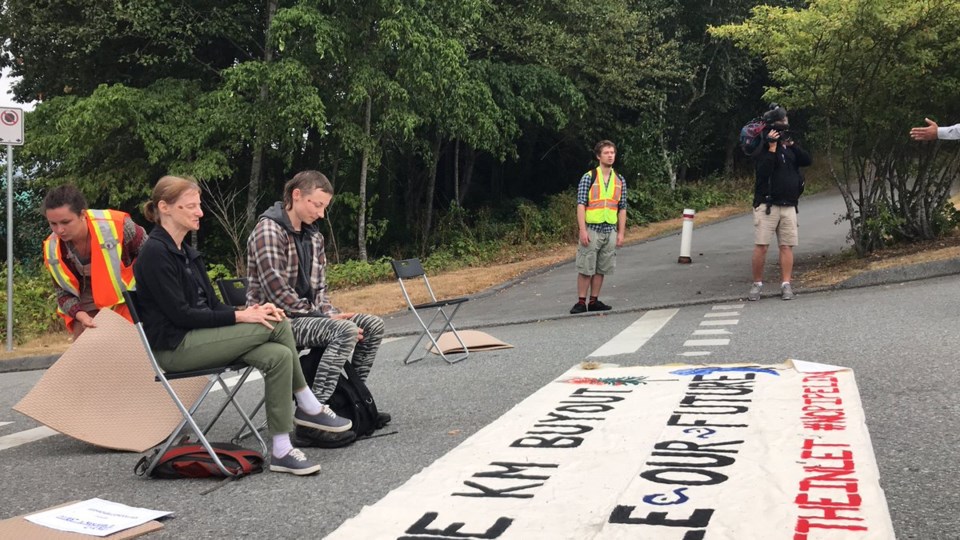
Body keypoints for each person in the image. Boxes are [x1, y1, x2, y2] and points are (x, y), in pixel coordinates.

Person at [133, 175, 331, 475]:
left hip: (203, 338)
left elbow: (213, 307)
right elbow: (182, 315)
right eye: (191, 206)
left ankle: (281, 449)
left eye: (199, 206)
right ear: (165, 208)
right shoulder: (154, 253)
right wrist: (243, 316)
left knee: (277, 356)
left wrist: (248, 310)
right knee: (277, 324)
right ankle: (309, 405)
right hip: (176, 347)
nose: (200, 212)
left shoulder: (188, 252)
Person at [246, 170, 389, 445]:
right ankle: (311, 418)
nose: (322, 214)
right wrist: (328, 319)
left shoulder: (314, 236)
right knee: (345, 332)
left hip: (308, 316)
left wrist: (330, 314)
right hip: (276, 321)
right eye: (317, 205)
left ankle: (352, 401)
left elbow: (320, 289)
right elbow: (278, 294)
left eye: (325, 207)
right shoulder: (268, 230)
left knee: (371, 325)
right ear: (296, 195)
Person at [42, 185, 147, 339]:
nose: (59, 230)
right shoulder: (53, 248)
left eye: (65, 222)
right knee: (85, 348)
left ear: (82, 214)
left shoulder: (117, 224)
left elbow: (151, 255)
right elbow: (63, 292)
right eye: (53, 224)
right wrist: (80, 315)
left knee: (129, 351)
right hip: (86, 304)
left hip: (128, 297)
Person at [748, 104, 812, 301]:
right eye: (783, 121)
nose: (785, 124)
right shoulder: (763, 145)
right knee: (762, 246)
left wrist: (791, 145)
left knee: (787, 246)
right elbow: (764, 172)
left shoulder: (789, 146)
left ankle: (786, 284)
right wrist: (772, 148)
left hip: (789, 205)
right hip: (767, 205)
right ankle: (757, 283)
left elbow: (807, 160)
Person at [570, 140, 627, 314]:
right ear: (598, 156)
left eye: (612, 152)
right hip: (592, 228)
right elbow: (581, 204)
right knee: (586, 266)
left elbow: (622, 207)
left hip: (610, 229)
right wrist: (582, 229)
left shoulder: (619, 180)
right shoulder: (589, 177)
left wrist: (621, 233)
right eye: (606, 153)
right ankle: (581, 301)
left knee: (602, 267)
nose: (610, 155)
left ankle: (594, 300)